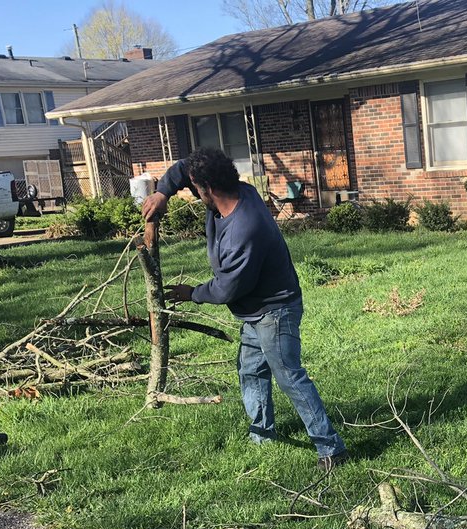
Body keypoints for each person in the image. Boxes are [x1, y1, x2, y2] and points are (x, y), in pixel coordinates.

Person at [141, 148, 348, 471]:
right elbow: (185, 168)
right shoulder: (238, 191)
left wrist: (193, 293)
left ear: (207, 189)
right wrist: (163, 192)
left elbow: (228, 287)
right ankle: (262, 435)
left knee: (290, 377)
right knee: (250, 370)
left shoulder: (245, 229)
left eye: (195, 189)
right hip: (255, 311)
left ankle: (331, 447)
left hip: (275, 310)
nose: (193, 192)